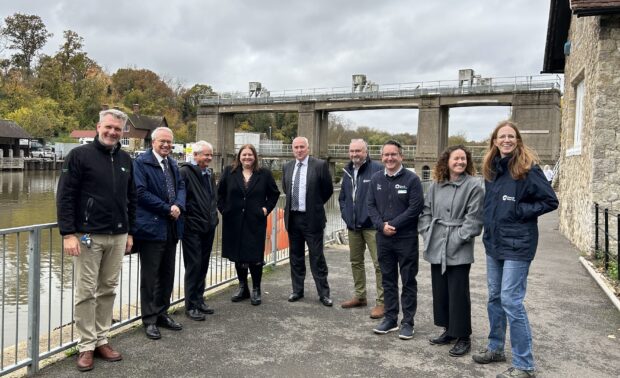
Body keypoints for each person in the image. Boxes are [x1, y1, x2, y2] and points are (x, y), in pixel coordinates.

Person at [472, 120, 558, 378]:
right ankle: (496, 347)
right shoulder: (492, 169)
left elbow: (550, 201)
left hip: (519, 244)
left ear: (517, 140)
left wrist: (520, 210)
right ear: (495, 141)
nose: (506, 140)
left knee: (511, 300)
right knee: (494, 297)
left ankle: (524, 364)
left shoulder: (528, 168)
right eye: (502, 137)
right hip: (494, 242)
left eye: (511, 136)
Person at [56, 108, 136, 371]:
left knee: (108, 289)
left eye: (117, 129)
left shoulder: (126, 159)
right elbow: (65, 195)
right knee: (85, 292)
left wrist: (130, 231)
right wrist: (68, 233)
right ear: (98, 126)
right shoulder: (79, 156)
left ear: (122, 132)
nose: (113, 132)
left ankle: (103, 339)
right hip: (88, 234)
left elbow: (131, 198)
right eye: (109, 127)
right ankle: (86, 345)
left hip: (118, 234)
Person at [418, 145, 484, 357]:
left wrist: (457, 239)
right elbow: (426, 211)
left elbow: (473, 219)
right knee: (441, 290)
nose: (460, 162)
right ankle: (448, 330)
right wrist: (428, 233)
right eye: (456, 158)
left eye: (463, 159)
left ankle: (463, 336)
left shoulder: (474, 185)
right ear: (447, 161)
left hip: (458, 245)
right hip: (436, 242)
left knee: (458, 293)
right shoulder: (436, 185)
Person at [133, 126, 186, 340]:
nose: (166, 145)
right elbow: (139, 192)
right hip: (151, 227)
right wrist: (167, 208)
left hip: (171, 227)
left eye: (169, 142)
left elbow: (181, 187)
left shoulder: (172, 164)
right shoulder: (141, 163)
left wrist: (179, 205)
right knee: (150, 276)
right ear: (153, 142)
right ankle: (149, 319)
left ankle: (162, 313)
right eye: (162, 141)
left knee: (167, 273)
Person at [368, 140, 424, 340]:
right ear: (381, 157)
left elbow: (415, 208)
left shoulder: (412, 179)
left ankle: (408, 322)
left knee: (408, 280)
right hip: (383, 238)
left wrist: (394, 224)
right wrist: (381, 226)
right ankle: (390, 318)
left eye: (393, 154)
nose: (389, 158)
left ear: (401, 156)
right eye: (386, 155)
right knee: (388, 279)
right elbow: (370, 206)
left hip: (406, 238)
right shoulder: (375, 179)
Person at [217, 144, 280, 305]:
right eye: (244, 155)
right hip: (234, 221)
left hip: (255, 221)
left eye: (250, 155)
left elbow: (274, 193)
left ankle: (256, 289)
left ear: (255, 157)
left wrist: (266, 209)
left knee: (255, 257)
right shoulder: (229, 172)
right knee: (239, 256)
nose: (247, 158)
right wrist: (224, 210)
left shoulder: (264, 174)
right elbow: (219, 193)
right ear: (239, 156)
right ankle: (243, 288)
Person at [282, 136, 334, 306]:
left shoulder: (319, 165)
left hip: (312, 219)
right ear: (292, 149)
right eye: (296, 147)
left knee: (317, 257)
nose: (299, 150)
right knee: (295, 257)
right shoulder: (287, 167)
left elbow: (327, 190)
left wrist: (315, 205)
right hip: (293, 218)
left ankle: (324, 293)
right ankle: (297, 290)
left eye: (302, 147)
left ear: (308, 148)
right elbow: (285, 188)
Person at [338, 139, 385, 318]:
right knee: (356, 262)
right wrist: (346, 214)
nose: (355, 154)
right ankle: (360, 295)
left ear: (366, 152)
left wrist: (378, 219)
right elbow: (342, 197)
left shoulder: (377, 169)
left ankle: (382, 302)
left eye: (358, 151)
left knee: (379, 264)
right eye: (352, 151)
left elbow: (383, 196)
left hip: (372, 226)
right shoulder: (347, 170)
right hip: (353, 225)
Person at [179, 141, 218, 321]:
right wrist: (189, 221)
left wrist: (214, 219)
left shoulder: (208, 174)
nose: (209, 158)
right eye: (205, 154)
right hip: (192, 228)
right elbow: (182, 199)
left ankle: (200, 299)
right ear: (195, 155)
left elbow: (212, 198)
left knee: (203, 265)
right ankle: (191, 305)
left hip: (208, 226)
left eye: (210, 155)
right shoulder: (185, 172)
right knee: (193, 266)